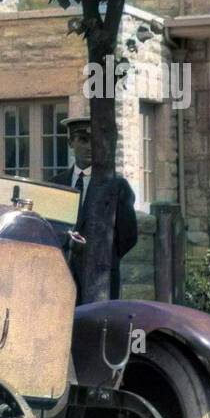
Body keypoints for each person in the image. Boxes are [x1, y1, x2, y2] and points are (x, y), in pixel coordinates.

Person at [54, 115, 138, 301]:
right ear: (70, 142)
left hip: (101, 278)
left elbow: (128, 236)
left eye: (95, 141)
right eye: (83, 140)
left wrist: (102, 257)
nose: (89, 147)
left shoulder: (116, 186)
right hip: (62, 275)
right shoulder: (56, 184)